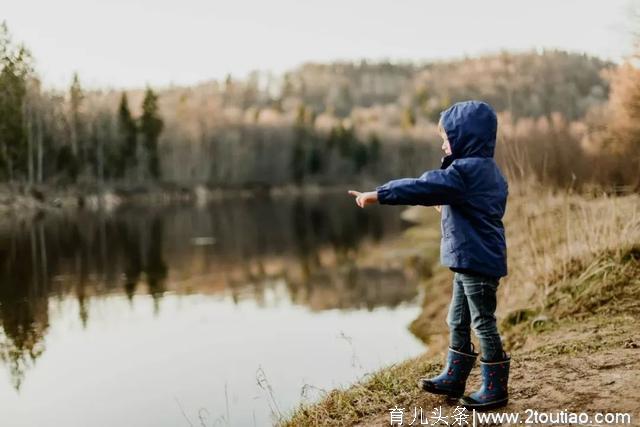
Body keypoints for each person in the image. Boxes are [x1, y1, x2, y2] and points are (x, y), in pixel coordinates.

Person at [348, 100, 510, 410]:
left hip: (475, 261)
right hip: (472, 260)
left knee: (482, 321)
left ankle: (495, 385)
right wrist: (449, 205)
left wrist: (378, 195)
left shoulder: (463, 171)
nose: (443, 143)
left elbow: (422, 187)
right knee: (457, 318)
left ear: (465, 137)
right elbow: (479, 206)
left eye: (446, 137)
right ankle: (455, 374)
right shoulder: (486, 171)